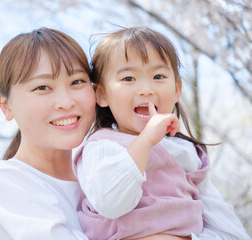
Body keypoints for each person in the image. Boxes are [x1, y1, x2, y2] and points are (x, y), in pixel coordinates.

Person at [73, 26, 251, 240]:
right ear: (100, 94)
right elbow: (110, 203)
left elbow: (222, 220)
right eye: (128, 78)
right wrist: (146, 140)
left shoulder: (185, 151)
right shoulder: (102, 147)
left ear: (177, 89)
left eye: (158, 76)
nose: (146, 89)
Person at [0, 28, 96, 239]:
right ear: (6, 106)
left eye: (77, 82)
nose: (66, 102)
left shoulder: (103, 177)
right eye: (43, 87)